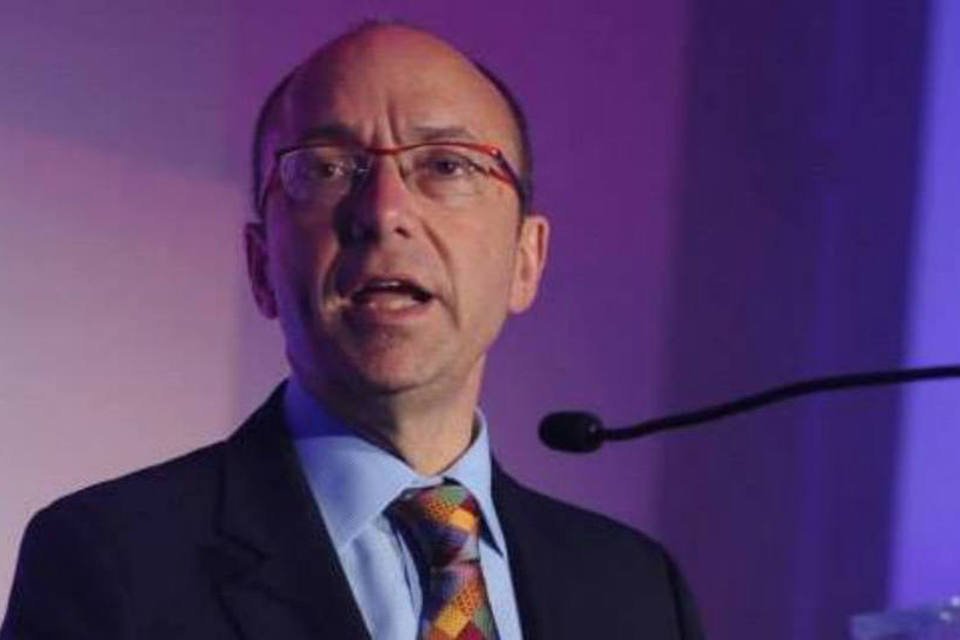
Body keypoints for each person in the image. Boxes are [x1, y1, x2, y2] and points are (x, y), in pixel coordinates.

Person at [1, 22, 702, 640]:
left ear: (527, 259)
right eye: (328, 169)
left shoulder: (638, 592)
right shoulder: (113, 561)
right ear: (261, 266)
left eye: (447, 165)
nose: (384, 210)